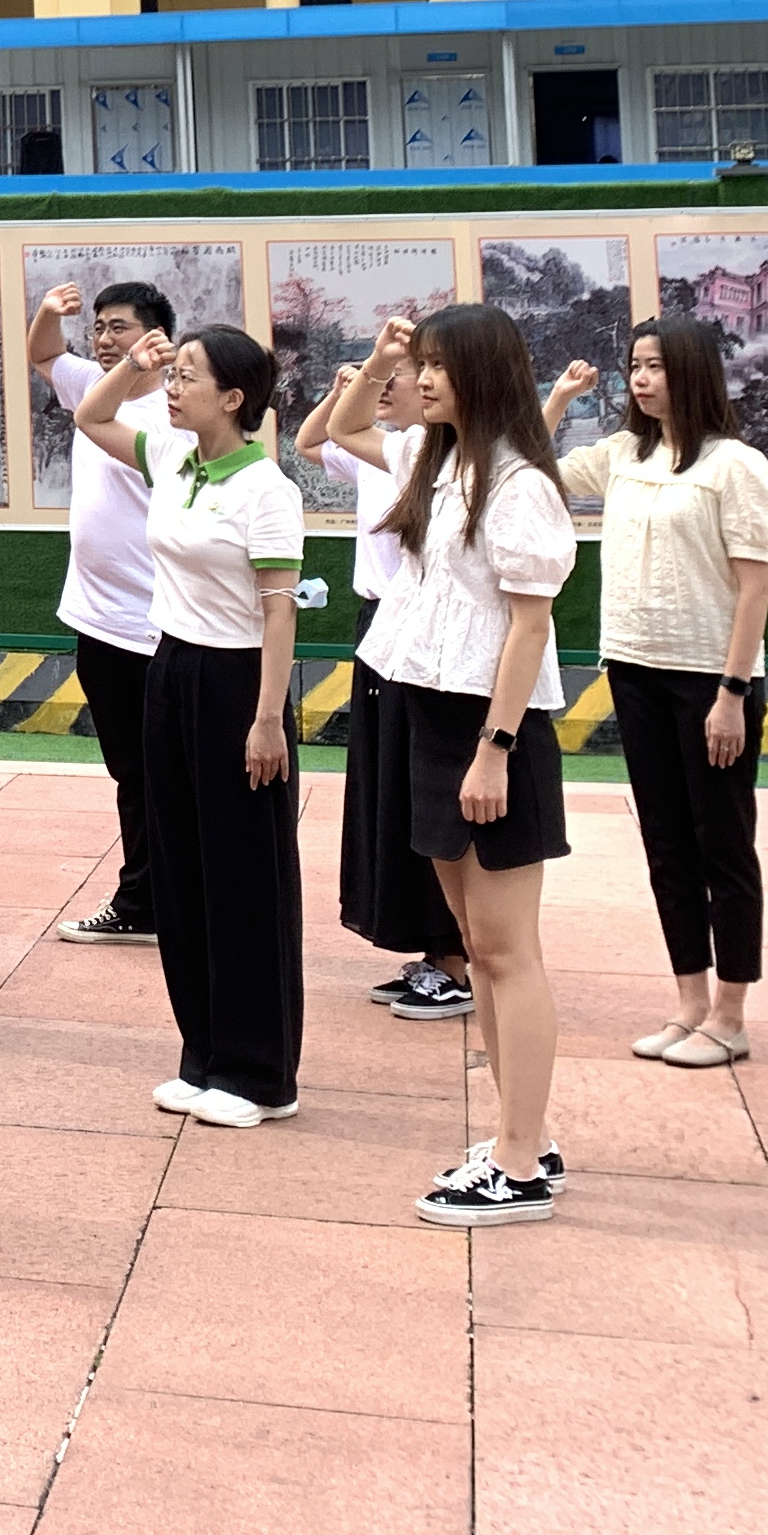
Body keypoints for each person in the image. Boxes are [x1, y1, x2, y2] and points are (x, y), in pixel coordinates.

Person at [334, 305, 575, 1226]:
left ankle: (520, 1162)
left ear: (486, 375)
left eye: (438, 365)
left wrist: (495, 752)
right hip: (428, 714)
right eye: (420, 363)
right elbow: (344, 426)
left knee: (508, 952)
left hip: (489, 730)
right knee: (477, 950)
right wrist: (380, 356)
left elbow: (530, 629)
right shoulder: (432, 462)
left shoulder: (517, 485)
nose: (421, 379)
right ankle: (525, 1137)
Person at [73, 323, 310, 1129]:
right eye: (170, 374)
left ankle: (261, 1075)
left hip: (239, 682)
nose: (171, 388)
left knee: (243, 878)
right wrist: (133, 367)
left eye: (187, 377)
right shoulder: (173, 458)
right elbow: (91, 418)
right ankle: (204, 1055)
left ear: (234, 398)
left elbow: (279, 612)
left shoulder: (266, 488)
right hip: (170, 669)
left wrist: (268, 720)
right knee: (182, 872)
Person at [554, 319, 768, 1069]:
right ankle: (689, 1003)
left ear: (692, 372)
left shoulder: (736, 465)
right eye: (635, 366)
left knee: (724, 844)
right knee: (665, 843)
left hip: (709, 680)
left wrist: (732, 692)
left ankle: (731, 1013)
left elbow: (754, 589)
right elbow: (536, 466)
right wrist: (559, 399)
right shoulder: (622, 454)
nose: (642, 379)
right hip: (634, 669)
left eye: (656, 365)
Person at [300, 334, 471, 1023]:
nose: (408, 383)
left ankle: (455, 961)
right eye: (404, 372)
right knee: (389, 792)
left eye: (420, 371)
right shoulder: (392, 450)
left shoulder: (440, 460)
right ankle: (432, 952)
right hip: (377, 628)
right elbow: (315, 439)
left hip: (423, 635)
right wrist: (351, 383)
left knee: (424, 791)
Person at [31, 278, 177, 948]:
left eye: (119, 327)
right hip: (97, 621)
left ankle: (156, 899)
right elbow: (42, 355)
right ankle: (146, 899)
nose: (103, 338)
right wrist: (46, 312)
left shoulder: (171, 417)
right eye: (98, 327)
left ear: (155, 337)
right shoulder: (95, 384)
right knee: (130, 772)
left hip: (154, 625)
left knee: (156, 774)